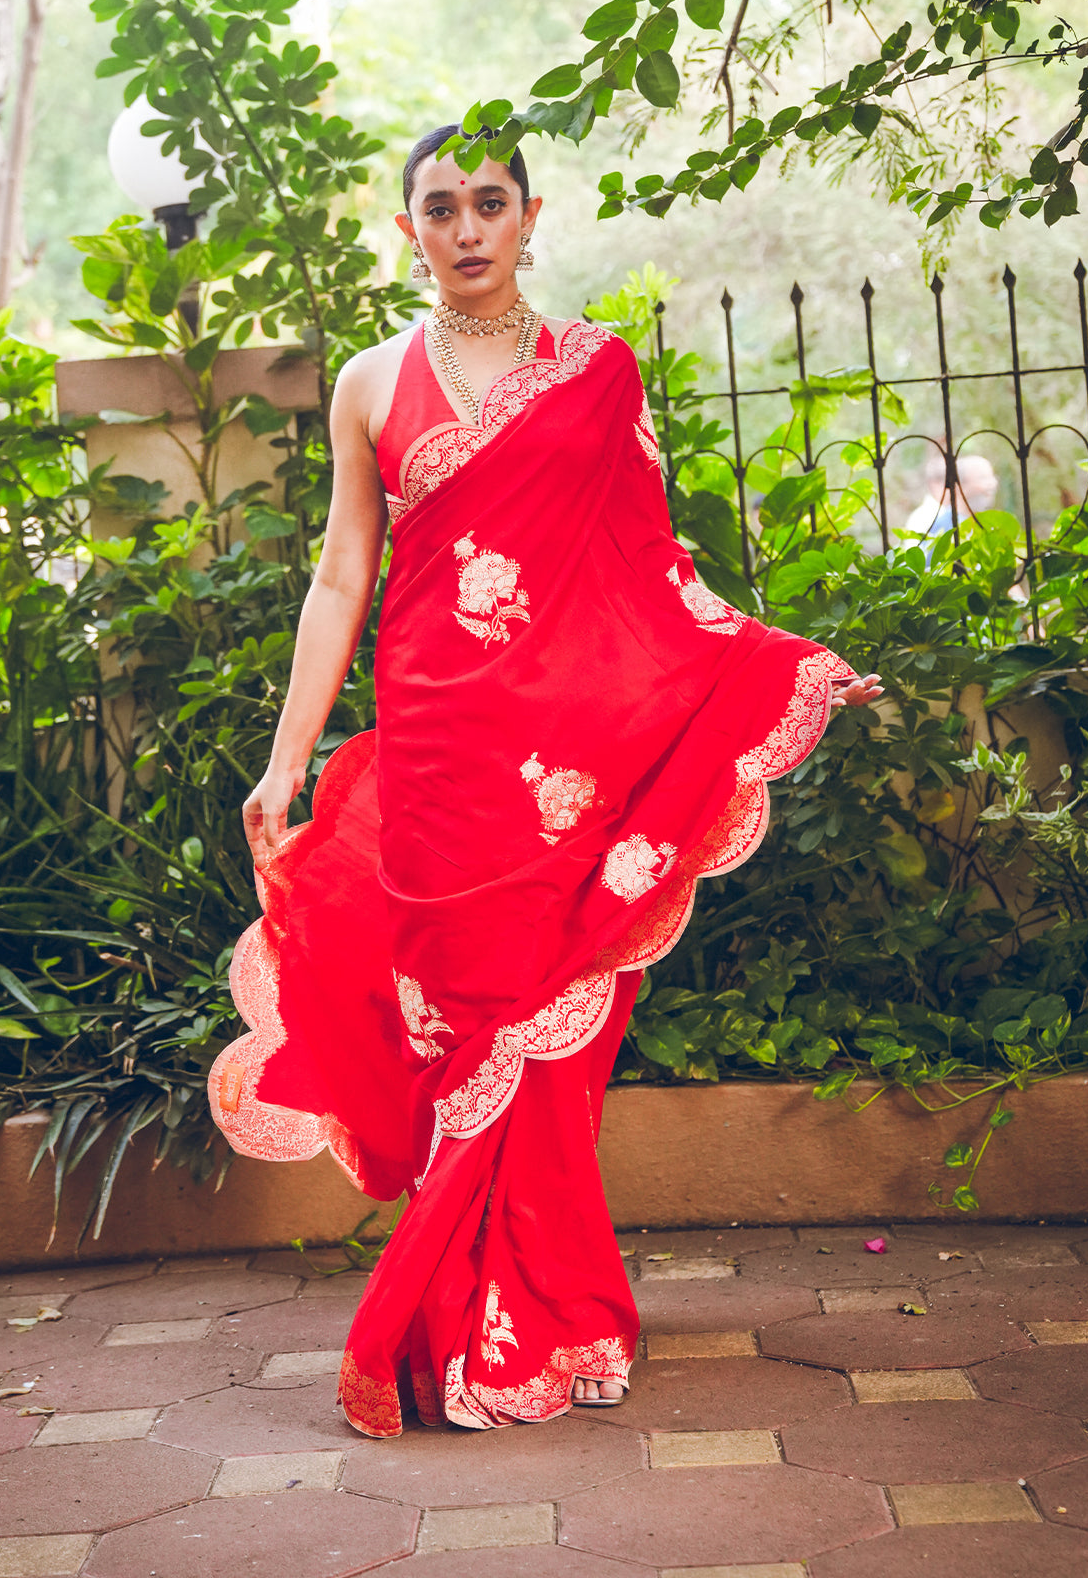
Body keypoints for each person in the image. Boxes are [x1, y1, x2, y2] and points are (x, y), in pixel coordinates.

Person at [208, 124, 882, 1439]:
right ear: (408, 227)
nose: (467, 228)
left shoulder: (595, 372)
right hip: (437, 762)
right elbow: (345, 576)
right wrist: (289, 759)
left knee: (553, 1046)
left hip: (569, 767)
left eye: (491, 203)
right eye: (440, 206)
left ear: (530, 217)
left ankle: (544, 1312)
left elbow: (655, 572)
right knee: (459, 1024)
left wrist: (778, 663)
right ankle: (482, 1313)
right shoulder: (366, 384)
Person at [905, 452, 999, 540]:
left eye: (992, 476)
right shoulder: (943, 527)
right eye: (983, 478)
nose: (993, 483)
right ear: (959, 485)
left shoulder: (991, 523)